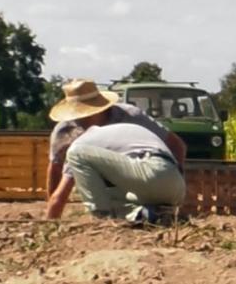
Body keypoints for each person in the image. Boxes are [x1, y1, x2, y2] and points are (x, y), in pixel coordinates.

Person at [44, 78, 187, 224]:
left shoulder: (83, 139)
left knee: (77, 154)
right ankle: (146, 214)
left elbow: (60, 195)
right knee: (111, 191)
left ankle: (102, 217)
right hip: (171, 185)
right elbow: (55, 167)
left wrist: (51, 222)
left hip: (146, 171)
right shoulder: (127, 126)